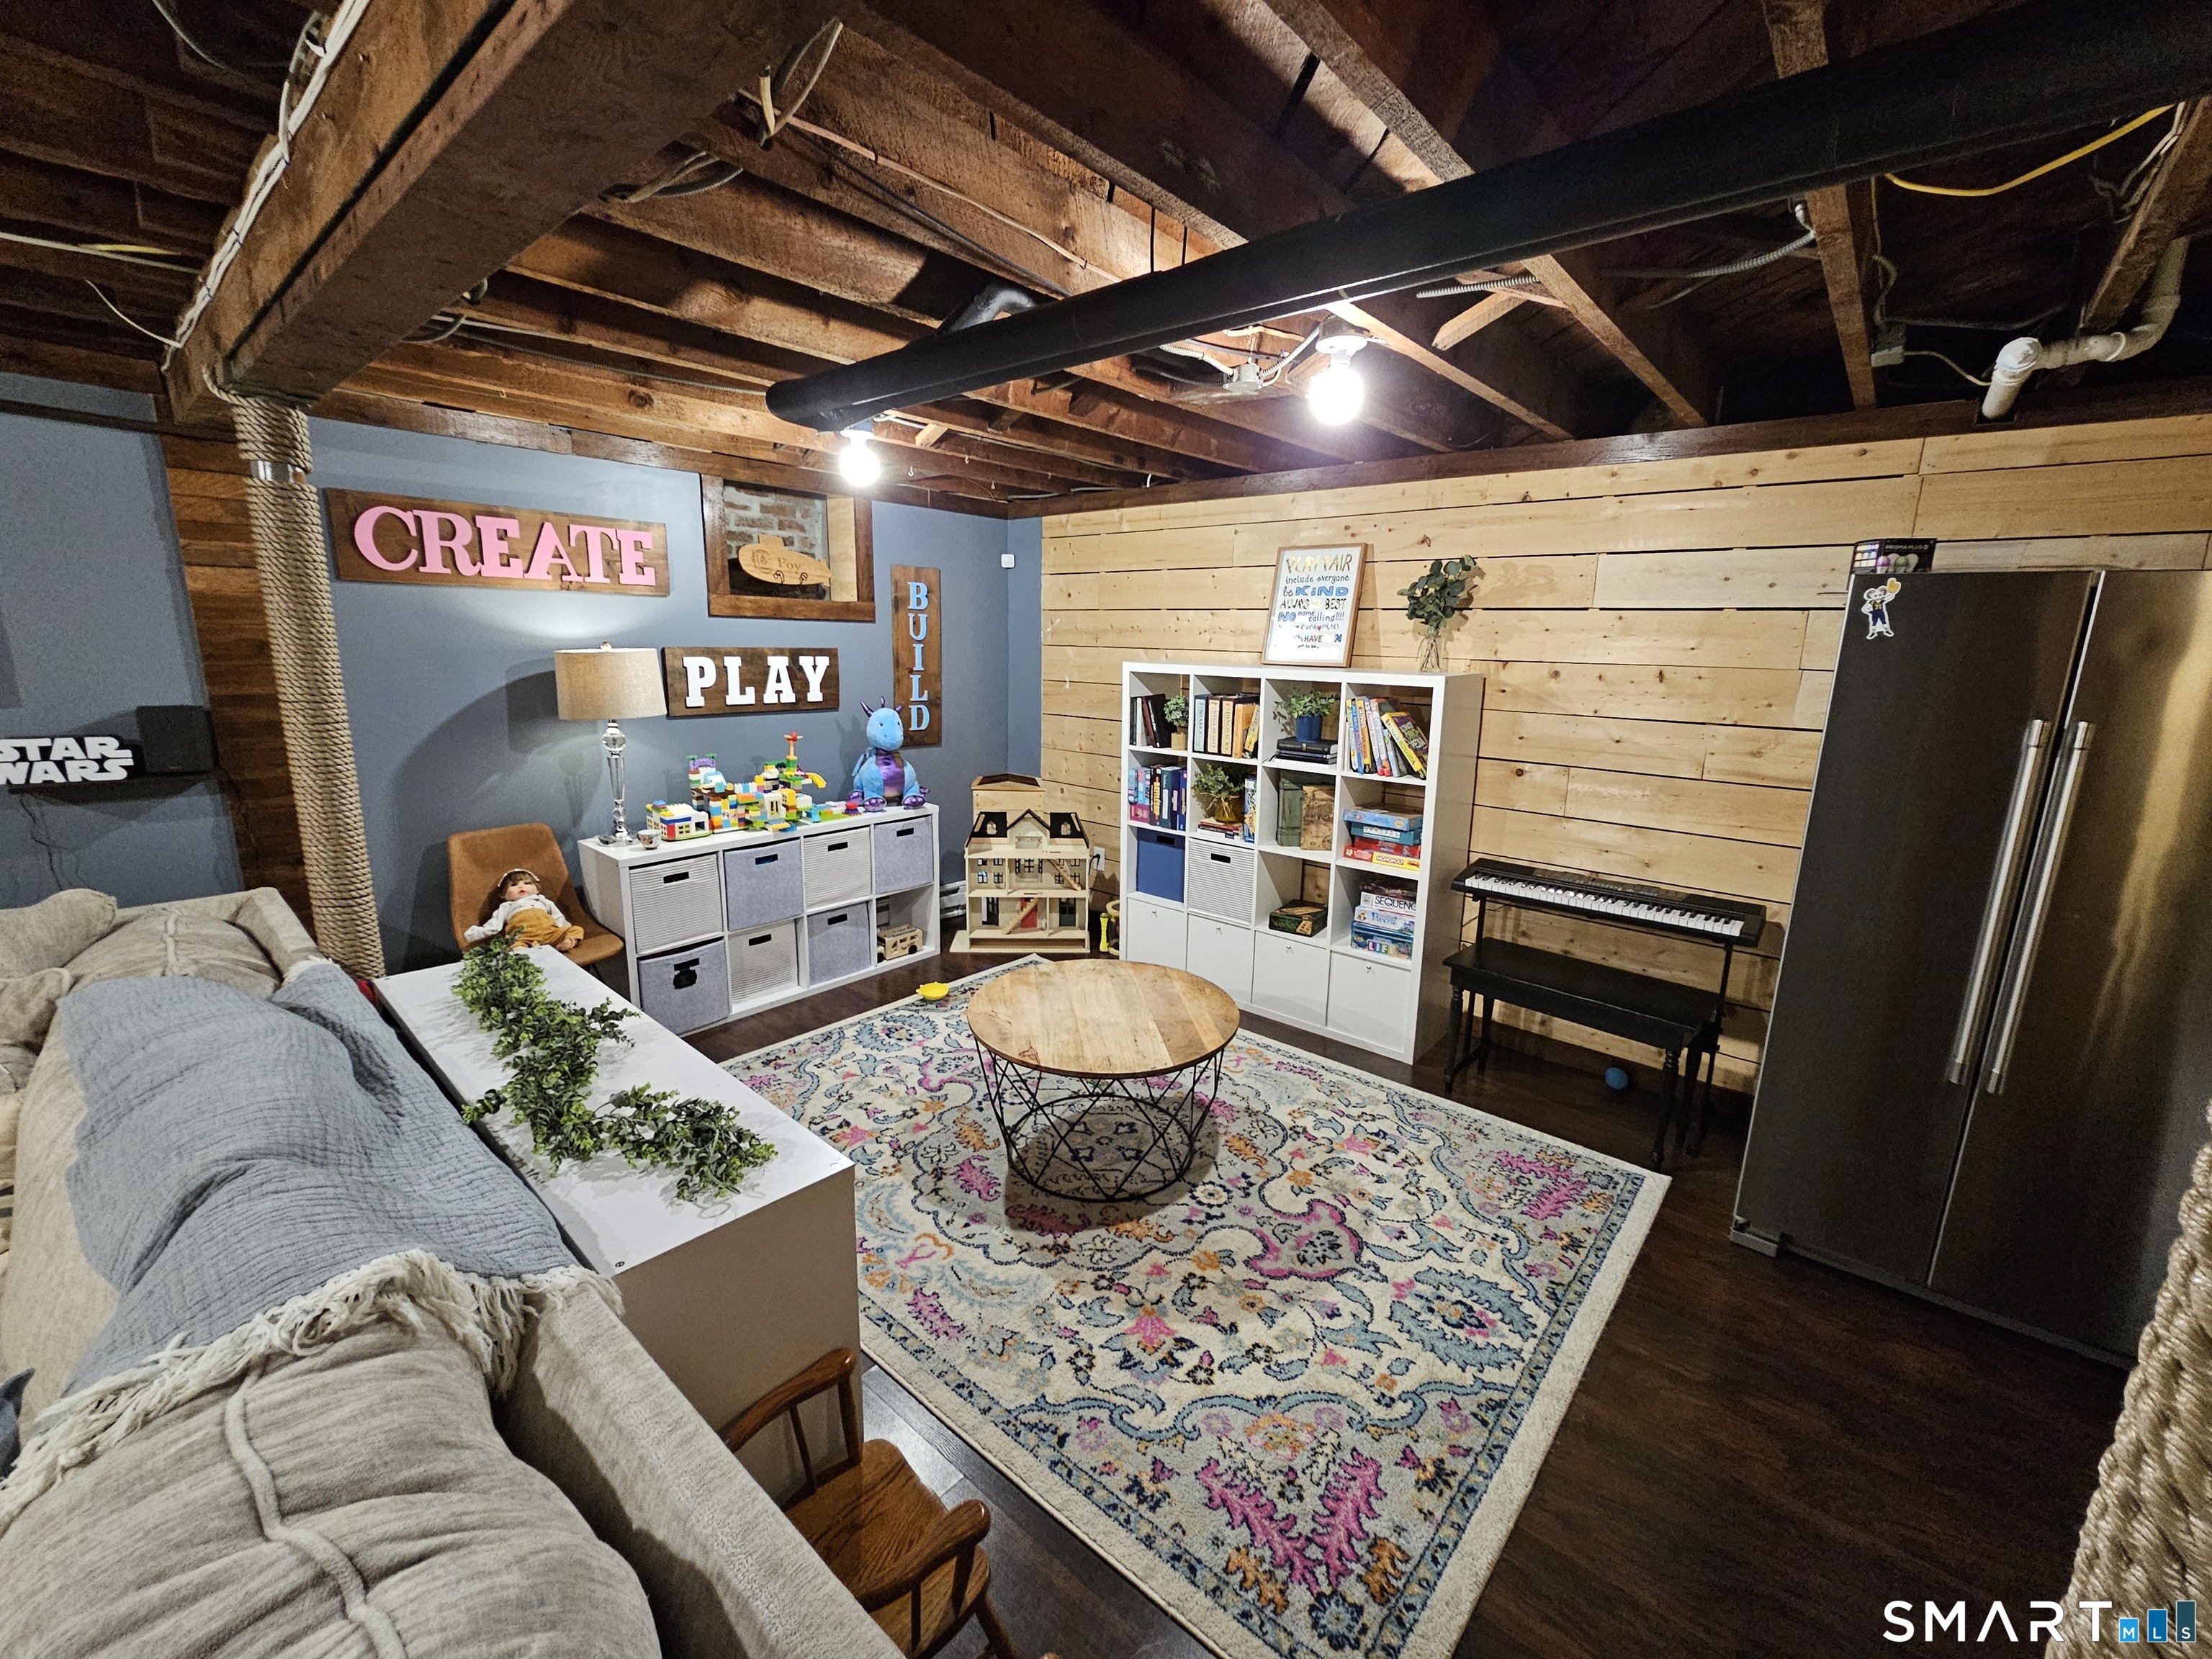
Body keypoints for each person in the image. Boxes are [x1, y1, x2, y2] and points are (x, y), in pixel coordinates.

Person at [466, 868, 585, 951]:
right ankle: (530, 952)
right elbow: (494, 925)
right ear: (504, 895)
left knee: (577, 929)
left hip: (551, 933)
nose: (521, 886)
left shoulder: (542, 901)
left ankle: (565, 944)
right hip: (524, 937)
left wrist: (565, 930)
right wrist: (474, 934)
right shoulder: (506, 906)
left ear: (537, 889)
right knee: (512, 945)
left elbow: (558, 916)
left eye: (527, 883)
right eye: (513, 885)